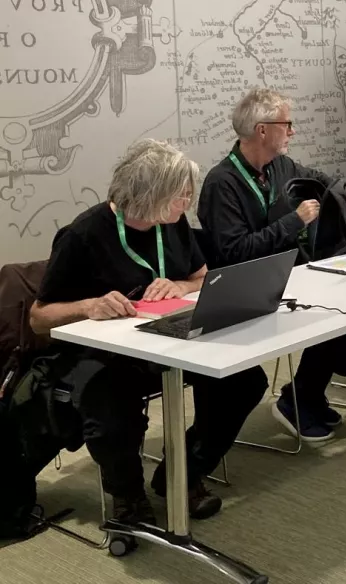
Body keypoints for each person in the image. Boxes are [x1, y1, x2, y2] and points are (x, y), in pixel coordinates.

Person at [29, 140, 267, 526]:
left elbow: (201, 276)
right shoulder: (83, 235)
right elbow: (39, 318)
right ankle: (127, 494)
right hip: (105, 352)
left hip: (166, 336)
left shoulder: (171, 225)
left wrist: (181, 287)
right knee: (108, 409)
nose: (186, 204)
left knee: (243, 380)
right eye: (180, 196)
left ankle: (183, 472)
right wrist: (88, 306)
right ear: (149, 196)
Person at [198, 88, 346, 443]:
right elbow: (235, 252)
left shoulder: (281, 166)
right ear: (262, 130)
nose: (292, 131)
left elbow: (327, 182)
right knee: (331, 309)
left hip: (289, 275)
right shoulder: (222, 183)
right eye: (286, 124)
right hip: (244, 287)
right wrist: (294, 222)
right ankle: (300, 398)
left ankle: (306, 391)